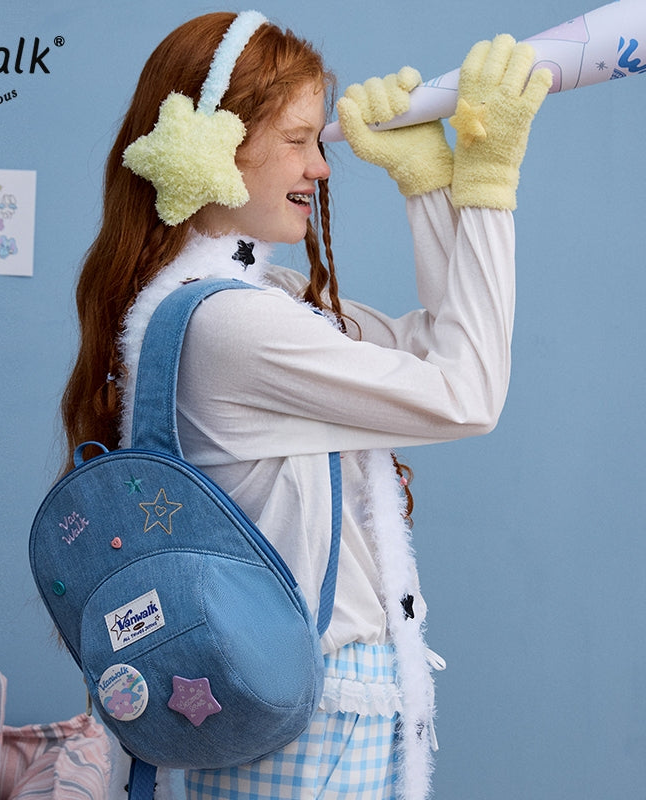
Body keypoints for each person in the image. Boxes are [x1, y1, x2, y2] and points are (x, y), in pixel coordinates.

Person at [60, 10, 551, 800]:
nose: (321, 167)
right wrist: (487, 187)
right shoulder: (234, 326)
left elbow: (436, 344)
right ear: (212, 145)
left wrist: (429, 186)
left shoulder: (240, 301)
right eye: (298, 140)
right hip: (322, 716)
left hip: (312, 707)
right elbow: (468, 394)